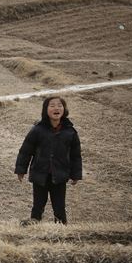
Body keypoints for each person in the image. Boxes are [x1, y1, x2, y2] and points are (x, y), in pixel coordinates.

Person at [15, 96, 82, 225]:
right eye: (52, 105)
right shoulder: (37, 130)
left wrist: (76, 175)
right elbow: (25, 151)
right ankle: (33, 228)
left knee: (59, 207)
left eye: (59, 105)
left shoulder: (70, 132)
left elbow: (75, 156)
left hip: (60, 175)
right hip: (40, 175)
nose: (56, 108)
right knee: (38, 205)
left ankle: (62, 230)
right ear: (45, 110)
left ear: (64, 110)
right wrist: (21, 170)